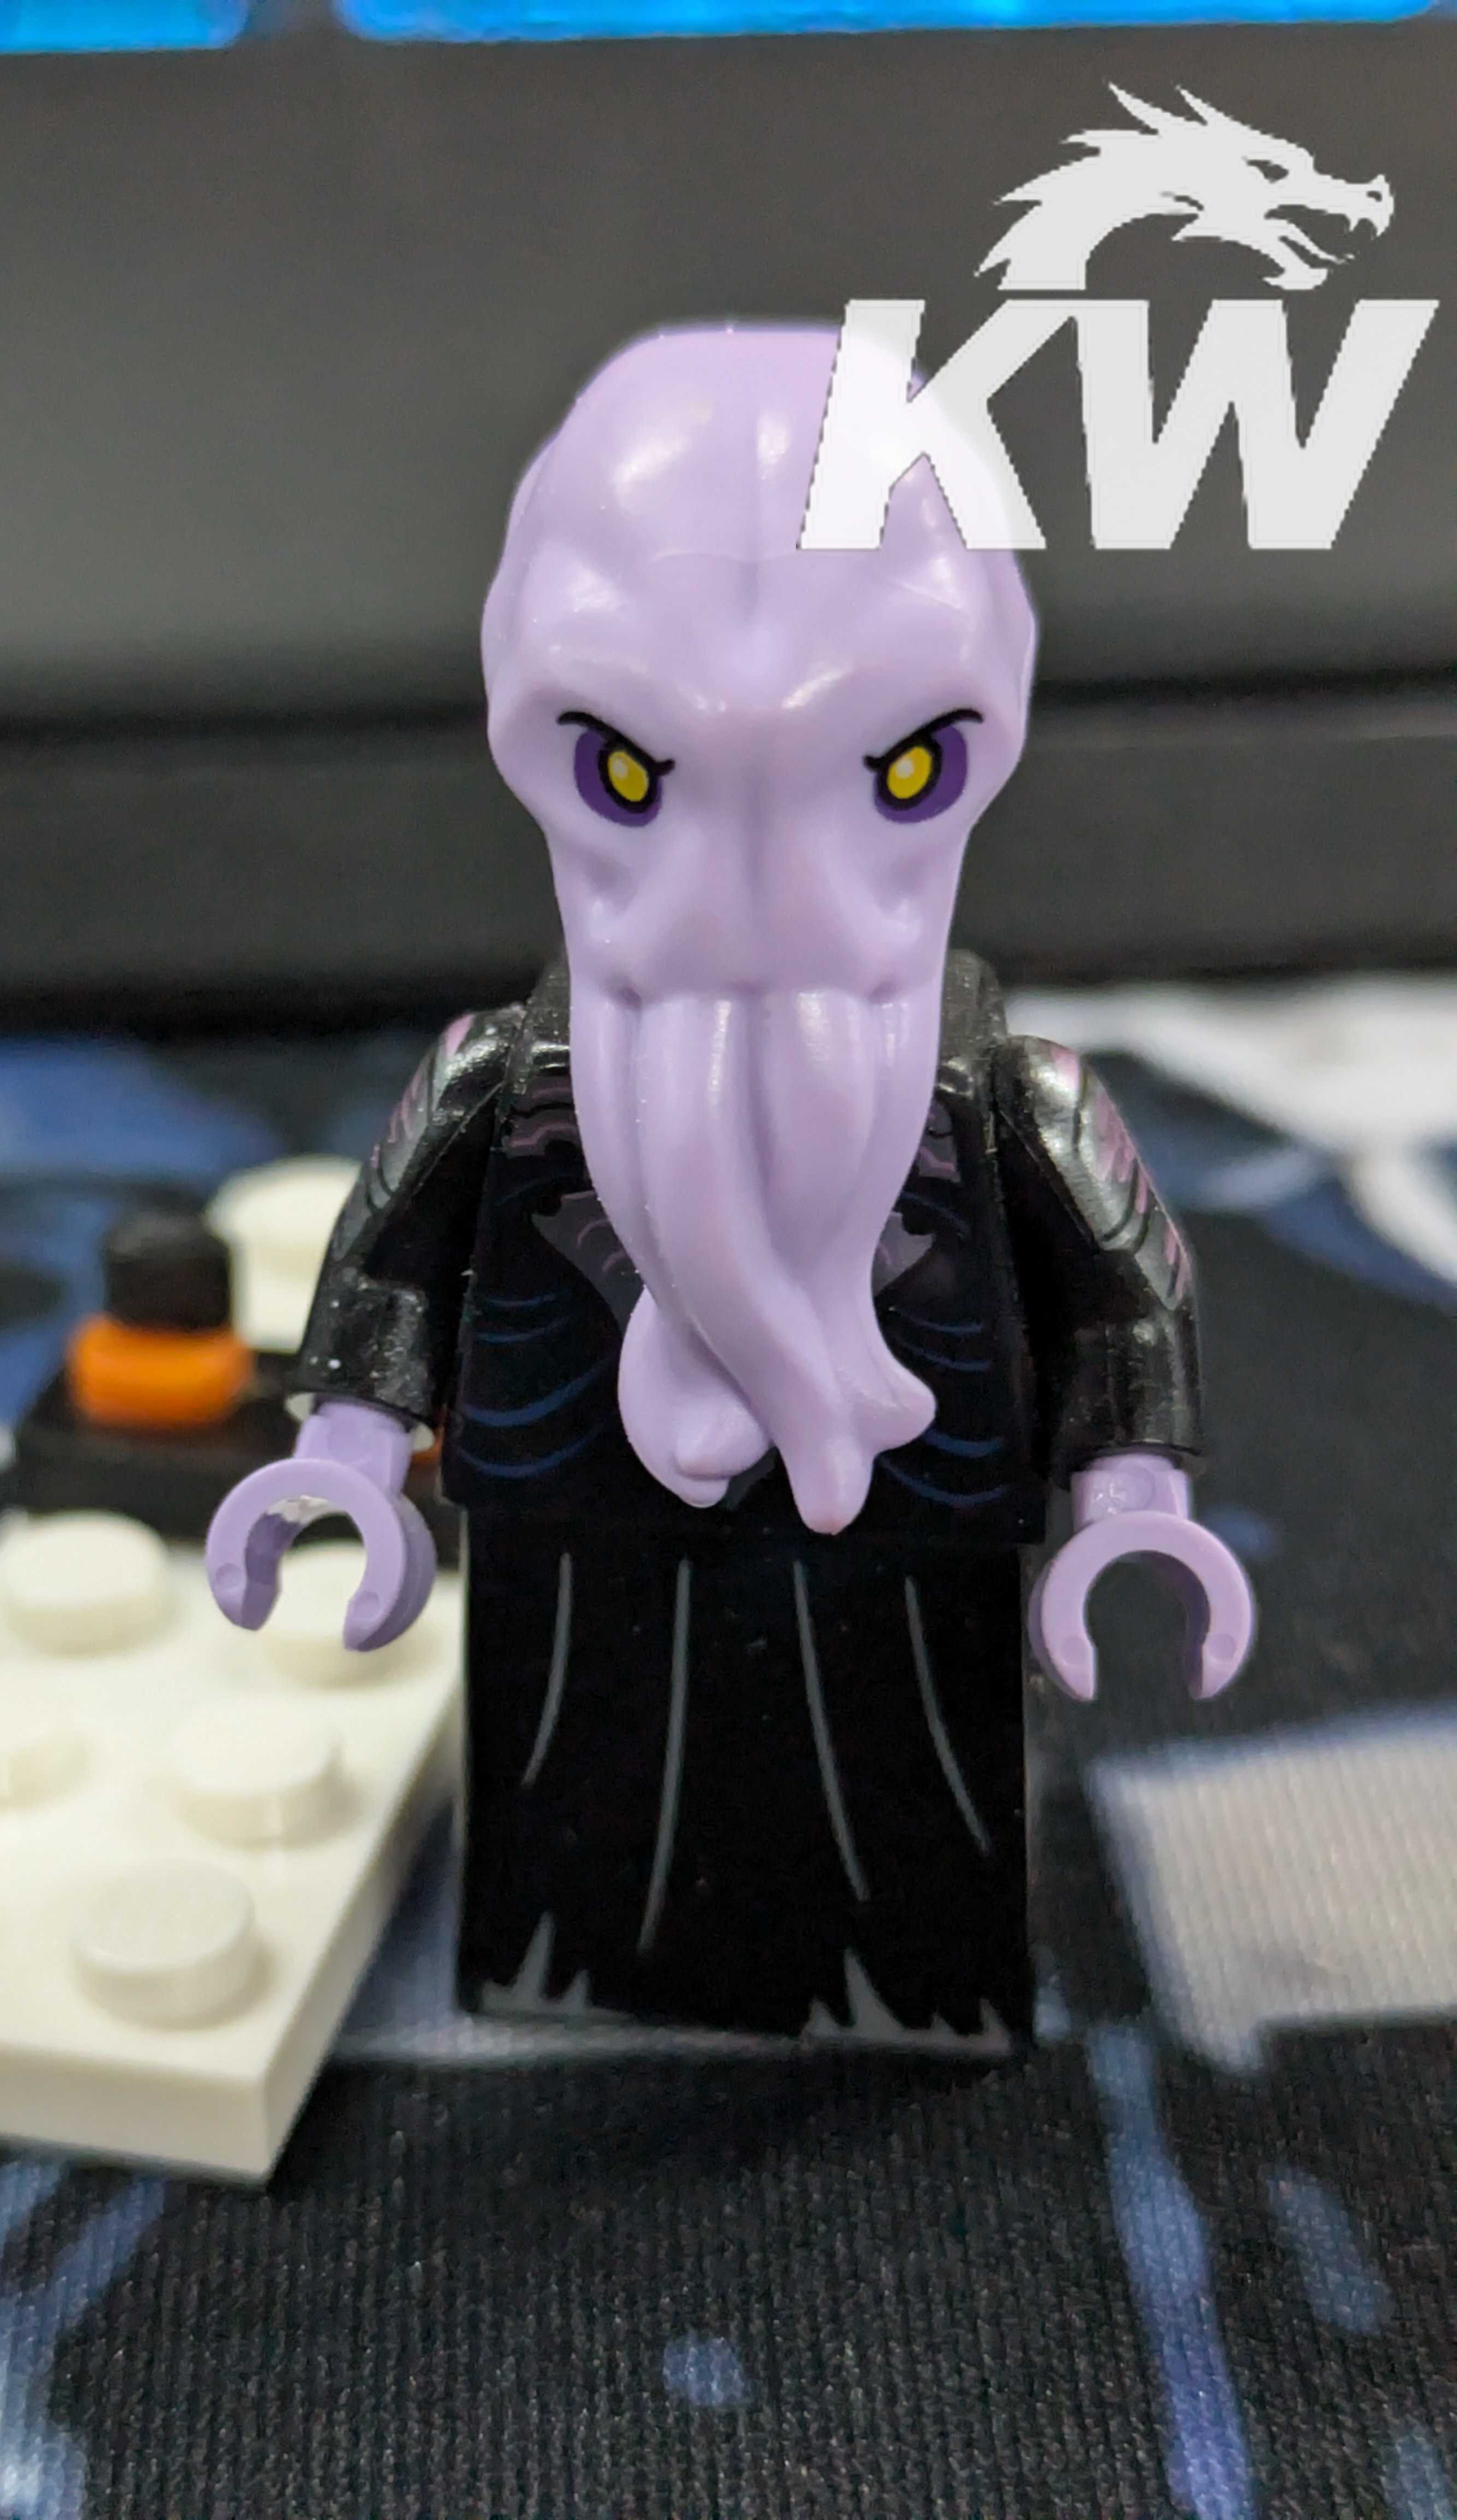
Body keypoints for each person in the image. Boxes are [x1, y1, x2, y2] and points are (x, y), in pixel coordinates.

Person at [206, 326, 1253, 2044]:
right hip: (574, 1542)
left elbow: (1122, 1296)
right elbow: (391, 1271)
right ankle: (578, 1971)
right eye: (628, 771)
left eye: (899, 769)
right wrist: (346, 1463)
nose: (760, 913)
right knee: (577, 1806)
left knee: (909, 1825)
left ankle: (909, 1994)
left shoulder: (1015, 1107)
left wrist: (1132, 1506)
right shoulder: (502, 1087)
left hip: (913, 1557)